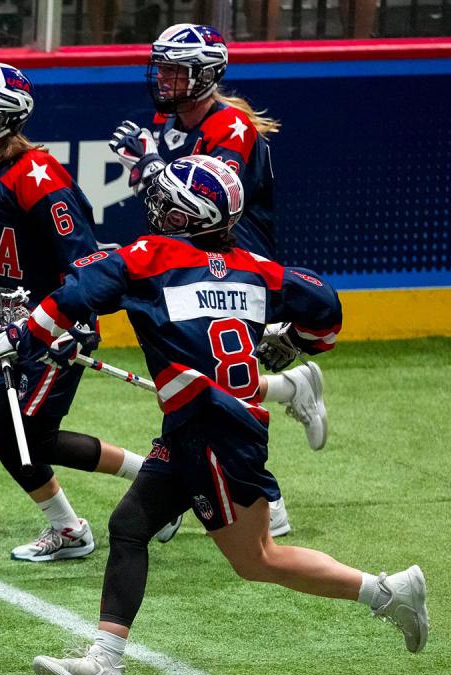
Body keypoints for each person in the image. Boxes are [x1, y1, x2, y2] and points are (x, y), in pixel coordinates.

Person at [0, 155, 427, 675]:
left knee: (256, 559)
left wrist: (20, 334)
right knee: (131, 525)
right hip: (213, 423)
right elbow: (324, 309)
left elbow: (78, 293)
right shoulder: (258, 269)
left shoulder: (152, 256)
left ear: (182, 214)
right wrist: (294, 341)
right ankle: (105, 665)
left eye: (164, 201)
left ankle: (388, 594)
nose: (154, 208)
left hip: (212, 431)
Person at [0, 61, 157, 562]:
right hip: (4, 326)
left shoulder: (39, 177)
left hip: (49, 327)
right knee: (19, 435)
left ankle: (74, 527)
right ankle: (150, 478)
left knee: (14, 433)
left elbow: (84, 263)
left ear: (2, 115)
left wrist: (65, 328)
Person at [108, 23, 323, 536]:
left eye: (178, 71)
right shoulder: (173, 119)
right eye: (162, 67)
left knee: (217, 386)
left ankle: (266, 500)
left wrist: (151, 163)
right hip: (193, 259)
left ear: (207, 75)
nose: (165, 79)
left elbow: (204, 198)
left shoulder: (231, 128)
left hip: (233, 258)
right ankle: (289, 390)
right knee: (196, 376)